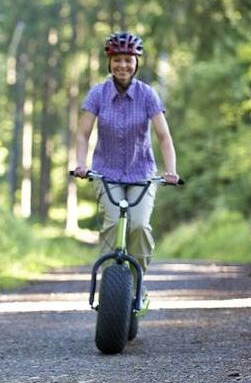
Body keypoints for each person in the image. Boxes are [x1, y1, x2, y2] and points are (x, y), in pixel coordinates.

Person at [73, 31, 179, 289]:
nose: (123, 65)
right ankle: (111, 289)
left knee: (139, 226)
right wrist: (81, 164)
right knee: (112, 226)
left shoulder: (147, 95)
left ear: (136, 63)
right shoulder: (97, 94)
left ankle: (136, 283)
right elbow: (83, 133)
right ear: (109, 62)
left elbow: (163, 136)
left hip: (142, 174)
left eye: (128, 60)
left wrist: (171, 171)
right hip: (106, 173)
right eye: (117, 60)